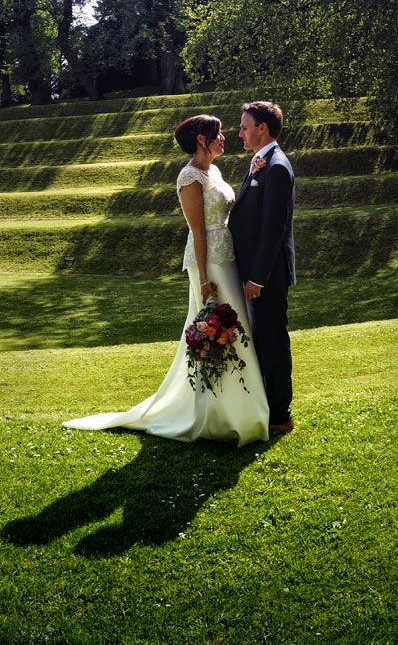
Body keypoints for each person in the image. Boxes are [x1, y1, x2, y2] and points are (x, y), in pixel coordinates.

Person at [63, 115, 269, 446]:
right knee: (220, 328)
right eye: (218, 134)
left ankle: (238, 409)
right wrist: (204, 280)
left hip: (228, 259)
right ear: (202, 139)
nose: (225, 138)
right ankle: (213, 414)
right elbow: (198, 230)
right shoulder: (189, 176)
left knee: (236, 328)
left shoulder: (213, 171)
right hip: (209, 263)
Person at [228, 101, 296, 436]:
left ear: (262, 129)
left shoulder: (277, 167)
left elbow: (274, 230)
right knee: (263, 341)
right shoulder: (261, 163)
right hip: (254, 273)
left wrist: (256, 278)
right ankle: (269, 407)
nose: (239, 132)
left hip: (267, 276)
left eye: (244, 126)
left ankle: (281, 415)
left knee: (273, 342)